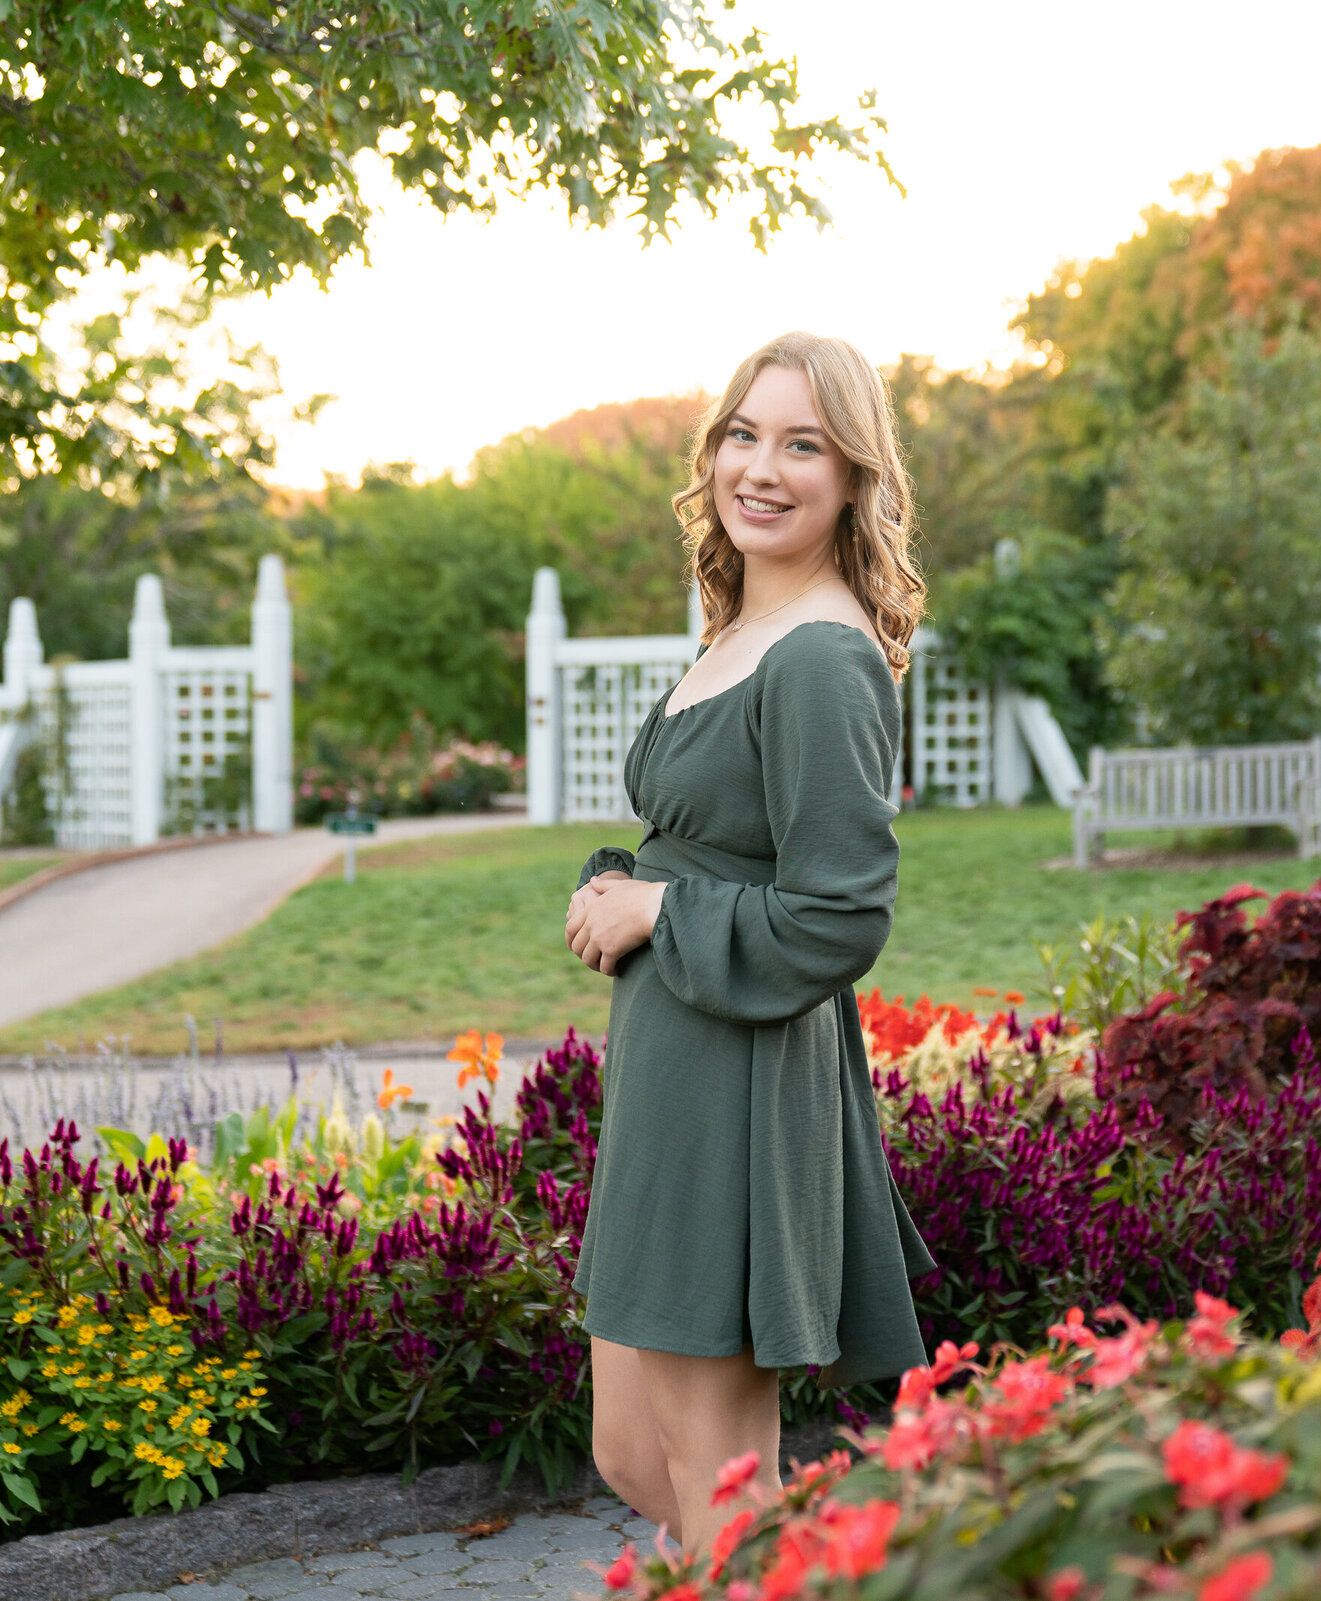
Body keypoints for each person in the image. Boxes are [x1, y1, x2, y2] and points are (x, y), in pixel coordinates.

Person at [562, 331, 934, 1549]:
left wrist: (661, 910)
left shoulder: (822, 655)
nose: (760, 468)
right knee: (629, 1450)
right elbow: (712, 839)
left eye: (802, 443)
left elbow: (838, 914)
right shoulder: (739, 629)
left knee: (722, 1485)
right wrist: (624, 881)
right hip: (673, 1064)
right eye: (743, 434)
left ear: (852, 476)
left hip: (744, 1075)